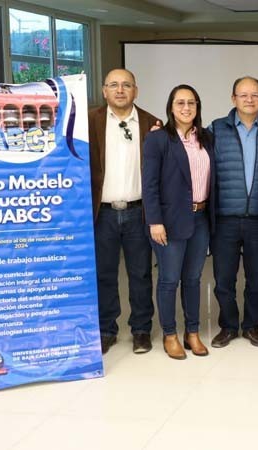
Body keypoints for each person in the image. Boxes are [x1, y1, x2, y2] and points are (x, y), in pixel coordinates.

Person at [88, 69, 159, 355]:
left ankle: (141, 330)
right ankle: (106, 329)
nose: (120, 90)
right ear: (104, 91)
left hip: (138, 212)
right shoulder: (87, 122)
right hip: (101, 213)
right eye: (114, 85)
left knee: (140, 274)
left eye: (126, 85)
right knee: (104, 274)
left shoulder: (151, 123)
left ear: (135, 90)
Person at [142, 84, 215, 360]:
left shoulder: (206, 138)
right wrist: (155, 221)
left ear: (198, 107)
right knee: (170, 280)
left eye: (192, 103)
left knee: (194, 279)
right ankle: (170, 334)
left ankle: (192, 332)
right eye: (180, 103)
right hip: (169, 221)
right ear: (171, 107)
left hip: (201, 218)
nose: (186, 108)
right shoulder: (158, 139)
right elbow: (149, 184)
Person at [207, 76, 258, 349]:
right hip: (225, 218)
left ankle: (252, 326)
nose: (249, 100)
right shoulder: (215, 129)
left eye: (255, 95)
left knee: (257, 279)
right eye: (243, 95)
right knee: (223, 279)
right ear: (233, 98)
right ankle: (228, 326)